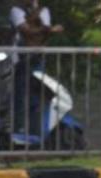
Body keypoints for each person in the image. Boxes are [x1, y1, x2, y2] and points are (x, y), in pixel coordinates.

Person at [9, 1, 63, 133]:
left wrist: (45, 30)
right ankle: (18, 130)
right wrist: (46, 29)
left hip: (38, 57)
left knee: (37, 95)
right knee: (20, 95)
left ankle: (35, 131)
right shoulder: (16, 10)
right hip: (21, 58)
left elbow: (44, 31)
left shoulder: (44, 11)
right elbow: (26, 31)